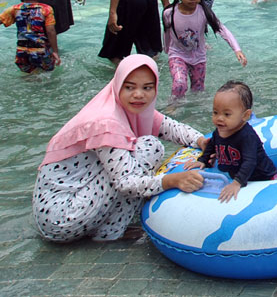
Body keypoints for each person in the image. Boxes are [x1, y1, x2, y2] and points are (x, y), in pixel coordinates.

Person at [32, 55, 206, 242]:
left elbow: (170, 128)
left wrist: (202, 141)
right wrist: (171, 181)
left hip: (69, 207)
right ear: (117, 86)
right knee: (150, 147)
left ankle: (106, 228)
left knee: (138, 153)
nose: (138, 94)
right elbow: (126, 183)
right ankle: (110, 232)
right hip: (62, 216)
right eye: (129, 87)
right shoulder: (106, 122)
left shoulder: (127, 108)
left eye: (147, 88)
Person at [183, 81, 276, 202]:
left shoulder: (247, 136)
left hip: (262, 178)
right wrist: (203, 160)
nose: (219, 118)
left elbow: (250, 162)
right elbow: (212, 144)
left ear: (245, 115)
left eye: (227, 114)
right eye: (215, 112)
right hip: (236, 173)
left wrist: (237, 183)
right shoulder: (221, 130)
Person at [163, 0, 247, 99]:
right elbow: (166, 32)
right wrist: (166, 49)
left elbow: (222, 29)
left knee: (198, 91)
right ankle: (174, 107)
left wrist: (237, 49)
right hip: (177, 55)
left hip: (198, 57)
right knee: (179, 84)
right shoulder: (169, 13)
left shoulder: (204, 12)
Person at [1, 0, 60, 72]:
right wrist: (55, 51)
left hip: (21, 51)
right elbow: (51, 31)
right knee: (46, 75)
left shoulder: (15, 9)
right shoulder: (46, 9)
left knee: (28, 76)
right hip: (41, 51)